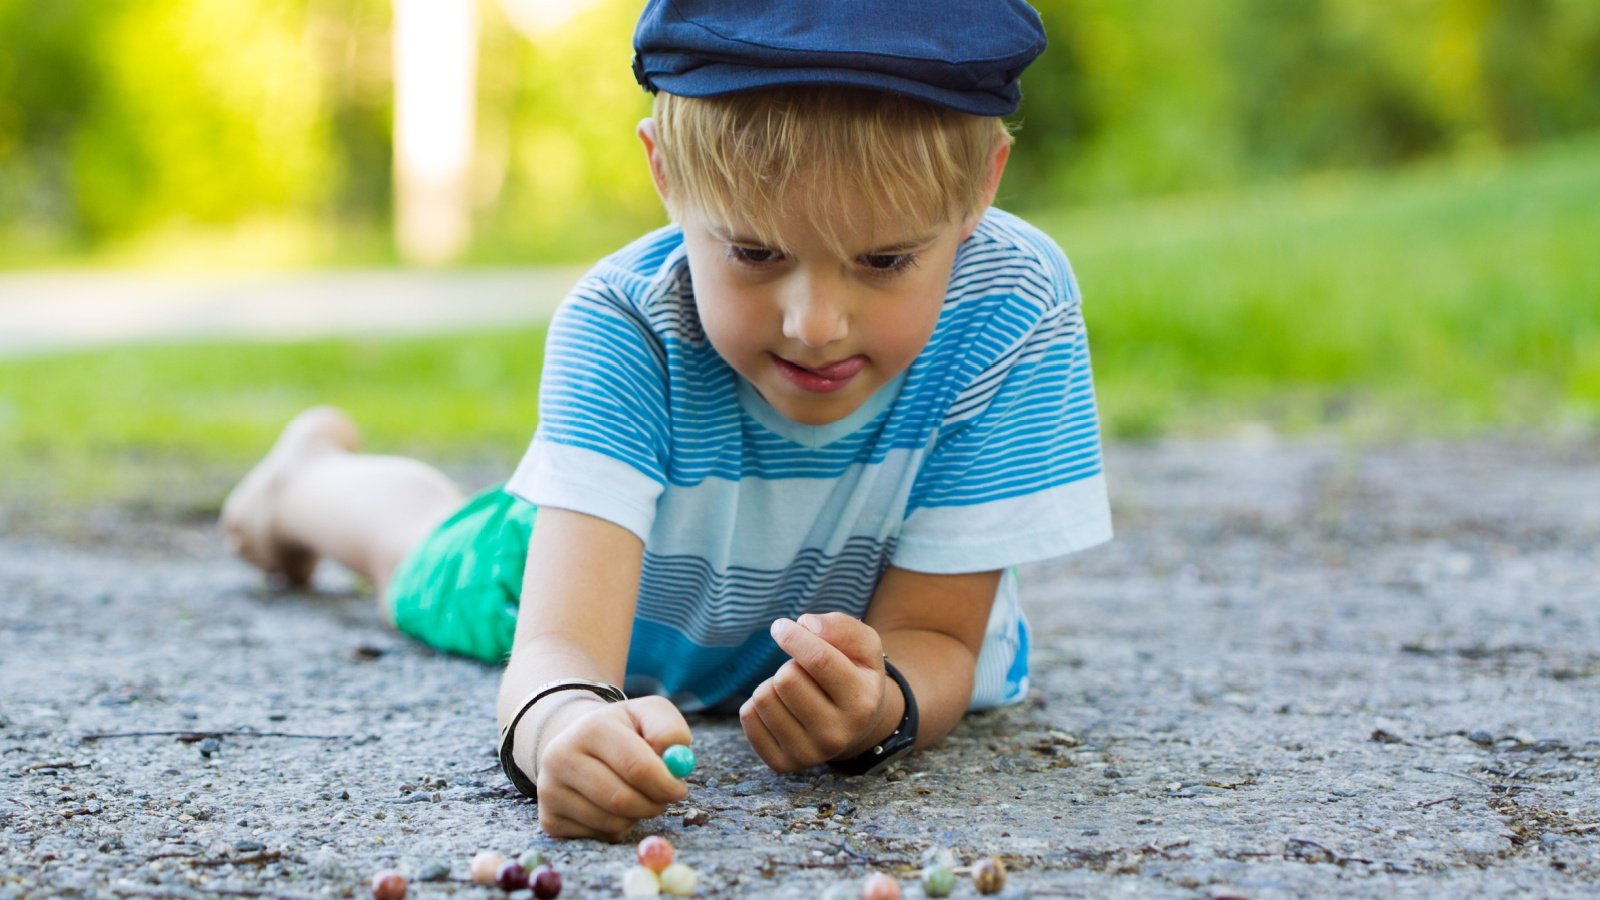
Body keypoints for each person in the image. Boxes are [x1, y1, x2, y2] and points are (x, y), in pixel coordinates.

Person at [220, 0, 1112, 841]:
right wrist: (563, 726)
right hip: (599, 587)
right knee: (423, 552)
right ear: (665, 174)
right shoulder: (626, 326)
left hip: (843, 627)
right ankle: (296, 486)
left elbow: (942, 635)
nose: (813, 323)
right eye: (756, 253)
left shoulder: (1012, 309)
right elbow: (560, 642)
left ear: (980, 189)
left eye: (884, 260)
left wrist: (880, 707)